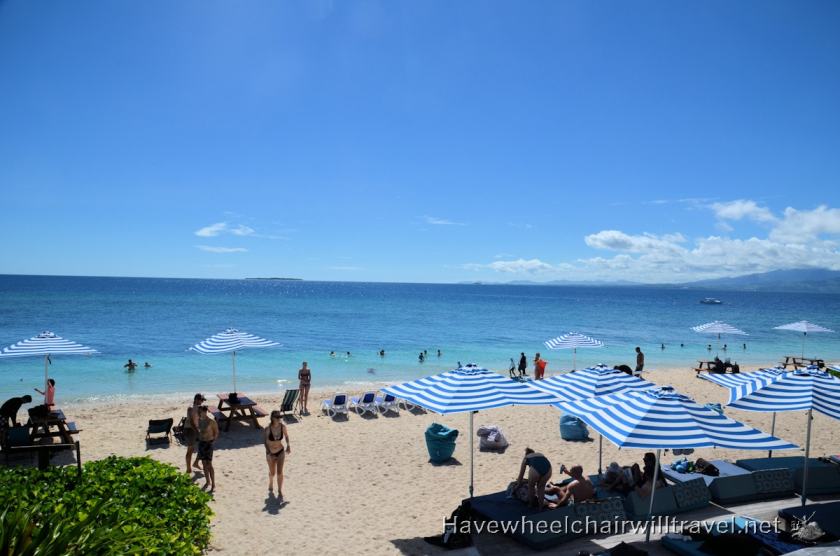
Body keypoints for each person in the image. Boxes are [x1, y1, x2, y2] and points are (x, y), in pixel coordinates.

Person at [264, 410, 291, 497]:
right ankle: (271, 482)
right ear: (272, 418)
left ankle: (280, 490)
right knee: (272, 473)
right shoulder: (268, 428)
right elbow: (265, 441)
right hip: (270, 453)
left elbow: (286, 436)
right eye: (277, 417)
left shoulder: (282, 427)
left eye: (280, 417)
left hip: (280, 452)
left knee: (279, 472)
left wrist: (288, 445)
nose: (279, 419)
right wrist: (268, 452)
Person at [197, 405, 219, 491]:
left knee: (209, 464)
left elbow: (216, 432)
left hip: (209, 444)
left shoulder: (211, 421)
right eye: (200, 411)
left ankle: (213, 483)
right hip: (201, 443)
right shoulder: (199, 420)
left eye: (202, 411)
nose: (201, 413)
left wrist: (213, 441)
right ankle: (207, 481)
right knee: (203, 464)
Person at [183, 393, 205, 474]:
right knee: (190, 450)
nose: (202, 402)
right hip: (189, 430)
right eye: (201, 400)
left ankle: (195, 463)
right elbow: (191, 422)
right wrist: (197, 431)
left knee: (200, 447)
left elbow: (198, 420)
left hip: (195, 430)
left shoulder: (198, 408)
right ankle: (188, 469)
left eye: (203, 400)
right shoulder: (190, 408)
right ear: (196, 399)